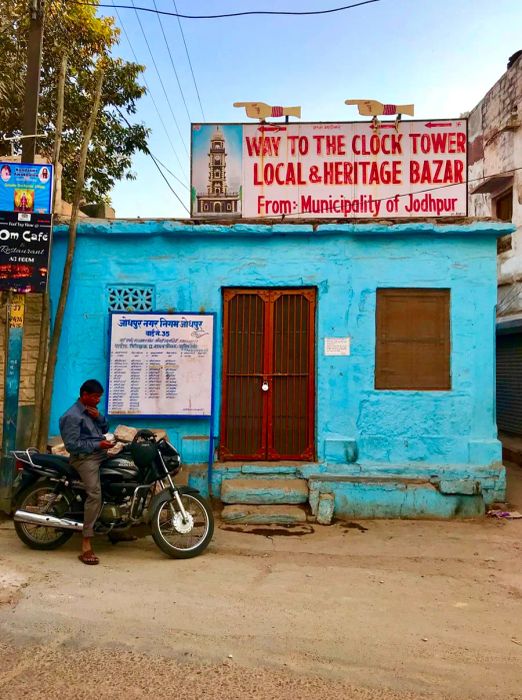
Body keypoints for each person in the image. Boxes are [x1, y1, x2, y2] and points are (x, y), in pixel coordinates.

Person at [59, 379, 116, 565]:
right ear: (84, 395)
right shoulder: (72, 416)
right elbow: (72, 446)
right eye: (95, 397)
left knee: (122, 476)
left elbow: (105, 428)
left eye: (99, 397)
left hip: (100, 453)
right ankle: (86, 542)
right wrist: (98, 444)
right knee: (95, 493)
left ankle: (116, 528)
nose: (98, 400)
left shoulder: (91, 411)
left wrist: (99, 417)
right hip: (84, 458)